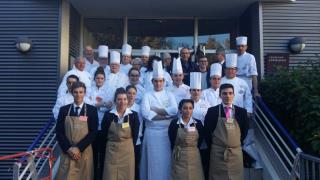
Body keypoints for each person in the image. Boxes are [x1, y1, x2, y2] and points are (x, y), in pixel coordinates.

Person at [140, 60, 178, 180]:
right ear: (152, 82)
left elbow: (175, 110)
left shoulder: (169, 94)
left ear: (164, 82)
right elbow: (146, 113)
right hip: (152, 133)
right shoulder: (147, 95)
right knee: (152, 162)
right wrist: (166, 115)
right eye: (155, 81)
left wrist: (155, 109)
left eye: (160, 81)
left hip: (166, 133)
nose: (158, 83)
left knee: (165, 161)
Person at [204, 83, 249, 180]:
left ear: (234, 94)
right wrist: (217, 145)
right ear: (220, 95)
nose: (227, 96)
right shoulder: (212, 111)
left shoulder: (242, 112)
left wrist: (234, 143)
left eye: (230, 93)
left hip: (235, 153)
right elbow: (207, 132)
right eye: (224, 93)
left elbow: (244, 131)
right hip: (218, 153)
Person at [56, 81, 98, 180]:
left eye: (81, 92)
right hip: (68, 152)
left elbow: (93, 132)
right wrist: (69, 148)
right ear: (71, 92)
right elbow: (59, 132)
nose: (78, 95)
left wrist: (78, 148)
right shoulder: (64, 110)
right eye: (75, 92)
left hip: (84, 152)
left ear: (85, 93)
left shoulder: (92, 110)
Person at [101, 87, 140, 180]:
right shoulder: (108, 115)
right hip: (112, 151)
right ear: (115, 100)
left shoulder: (133, 115)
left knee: (127, 175)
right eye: (119, 99)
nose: (122, 102)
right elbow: (104, 134)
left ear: (127, 100)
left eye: (124, 99)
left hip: (127, 151)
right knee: (110, 175)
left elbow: (135, 135)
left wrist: (128, 145)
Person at [168, 99, 205, 180]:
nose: (188, 111)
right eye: (185, 108)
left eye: (190, 108)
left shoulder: (198, 123)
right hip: (179, 156)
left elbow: (200, 139)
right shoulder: (174, 124)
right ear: (180, 110)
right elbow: (172, 140)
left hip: (194, 156)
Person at [89, 67, 114, 179]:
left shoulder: (109, 90)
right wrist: (102, 104)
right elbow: (88, 105)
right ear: (94, 79)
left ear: (104, 79)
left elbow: (109, 106)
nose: (99, 80)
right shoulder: (90, 89)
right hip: (92, 126)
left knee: (104, 153)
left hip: (104, 126)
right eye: (98, 78)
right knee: (93, 154)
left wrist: (98, 105)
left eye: (101, 78)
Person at [189, 72, 211, 179]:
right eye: (193, 90)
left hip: (203, 138)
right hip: (189, 137)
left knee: (203, 161)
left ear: (201, 91)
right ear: (190, 91)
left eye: (198, 90)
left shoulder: (206, 104)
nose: (196, 92)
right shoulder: (186, 104)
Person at [126, 85, 143, 180]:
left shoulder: (139, 108)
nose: (131, 95)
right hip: (124, 141)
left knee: (135, 165)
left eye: (133, 93)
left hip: (136, 142)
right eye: (129, 93)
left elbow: (140, 125)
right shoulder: (122, 107)